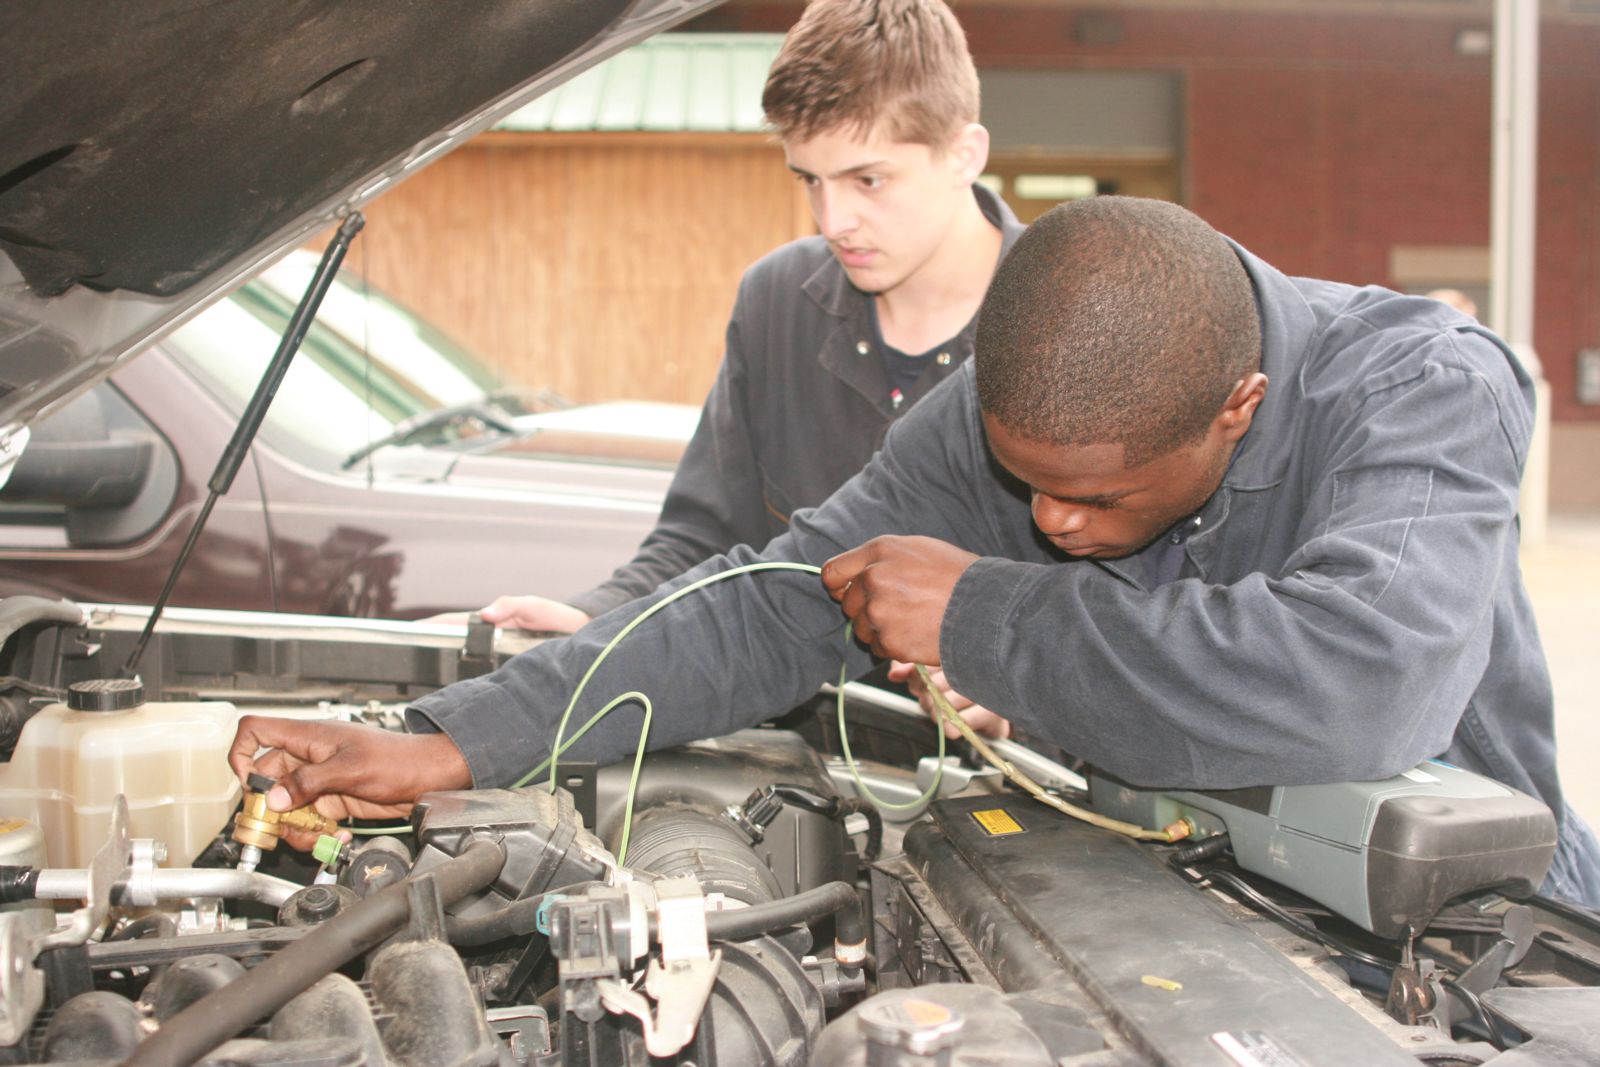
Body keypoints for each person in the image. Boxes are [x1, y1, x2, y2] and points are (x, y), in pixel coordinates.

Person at [232, 196, 1600, 907]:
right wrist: (450, 736)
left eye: (1102, 500)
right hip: (1176, 888)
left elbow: (1366, 683)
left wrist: (989, 614)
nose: (1057, 521)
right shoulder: (1007, 411)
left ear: (1236, 409)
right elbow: (771, 603)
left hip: (1474, 947)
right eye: (1026, 483)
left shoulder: (1421, 388)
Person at [467, 0, 1023, 637]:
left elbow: (1116, 605)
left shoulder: (1064, 320)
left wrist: (1002, 669)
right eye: (810, 181)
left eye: (867, 180)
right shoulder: (777, 300)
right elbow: (705, 536)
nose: (832, 220)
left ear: (963, 154)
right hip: (791, 726)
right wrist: (597, 619)